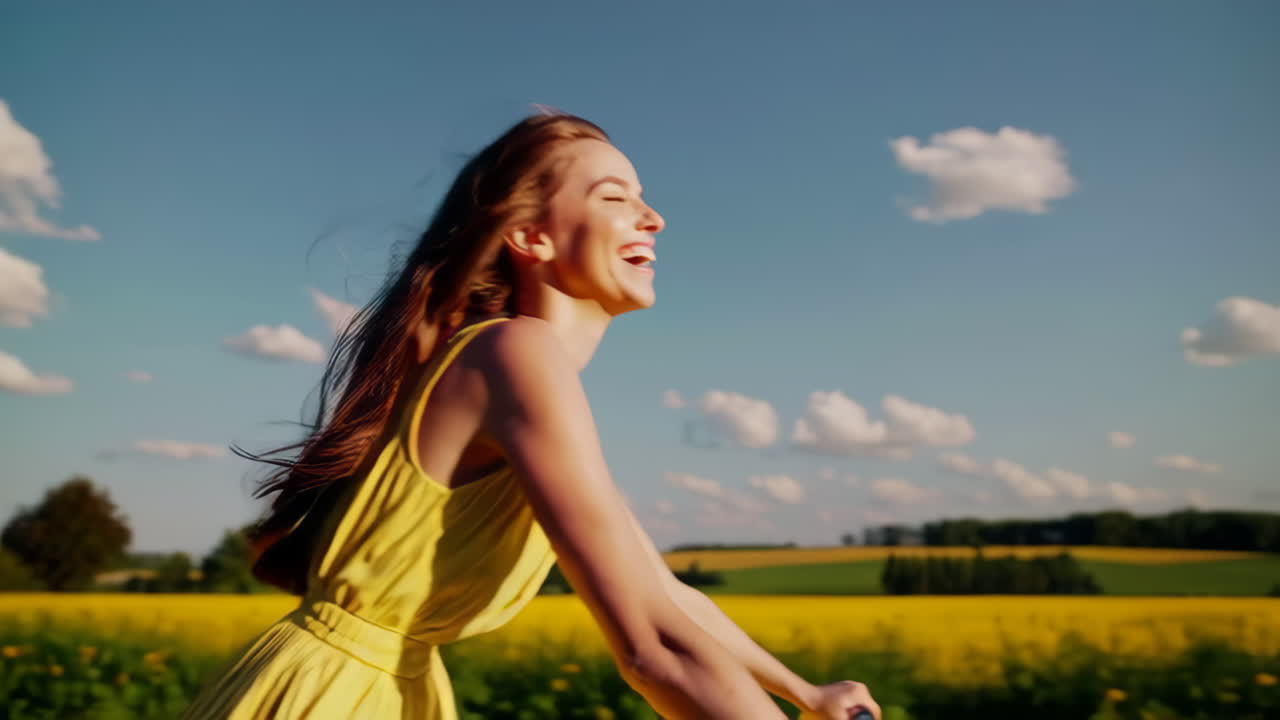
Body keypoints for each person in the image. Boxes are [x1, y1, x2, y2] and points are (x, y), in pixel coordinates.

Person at [181, 108, 880, 720]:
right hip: (333, 698)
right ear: (530, 238)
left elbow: (661, 594)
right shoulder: (518, 353)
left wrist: (804, 693)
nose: (654, 216)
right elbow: (650, 647)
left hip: (380, 689)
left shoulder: (513, 365)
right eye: (616, 197)